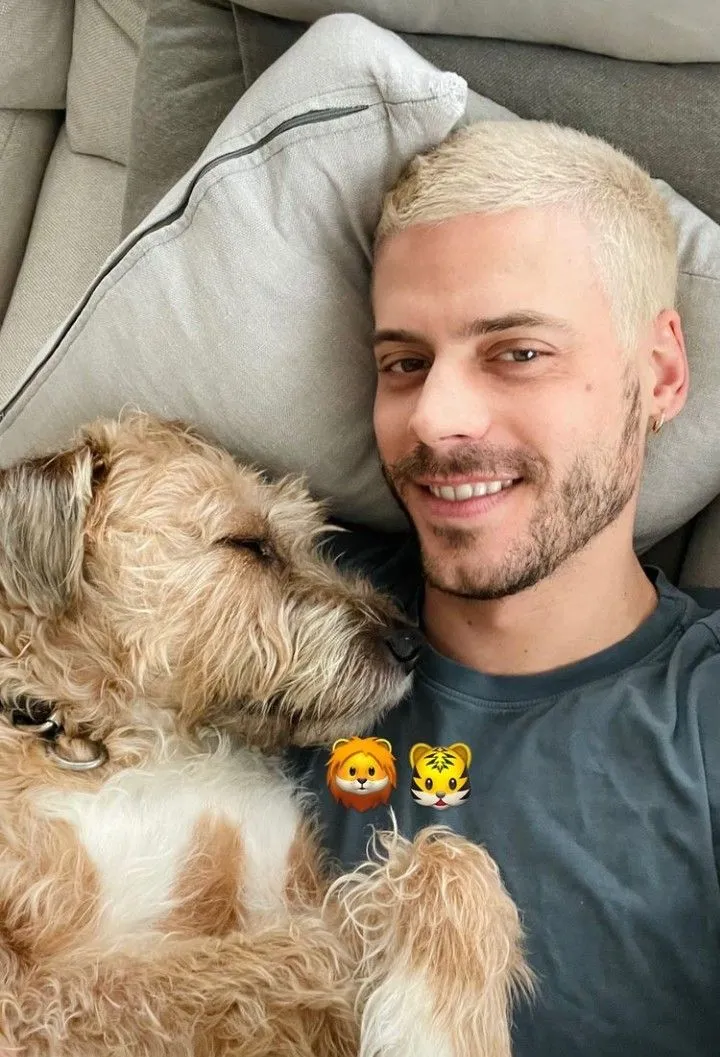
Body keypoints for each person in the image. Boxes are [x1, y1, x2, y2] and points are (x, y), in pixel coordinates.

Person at [288, 120, 720, 1056]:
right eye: (404, 363)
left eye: (517, 351)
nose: (434, 418)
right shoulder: (273, 604)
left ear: (661, 373)